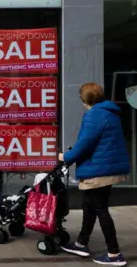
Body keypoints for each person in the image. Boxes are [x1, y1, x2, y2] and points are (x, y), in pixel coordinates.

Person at [58, 83, 129, 266]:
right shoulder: (110, 113)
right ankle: (81, 243)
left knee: (99, 209)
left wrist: (66, 156)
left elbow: (85, 143)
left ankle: (114, 254)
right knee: (89, 206)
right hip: (108, 168)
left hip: (99, 170)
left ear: (85, 100)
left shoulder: (95, 115)